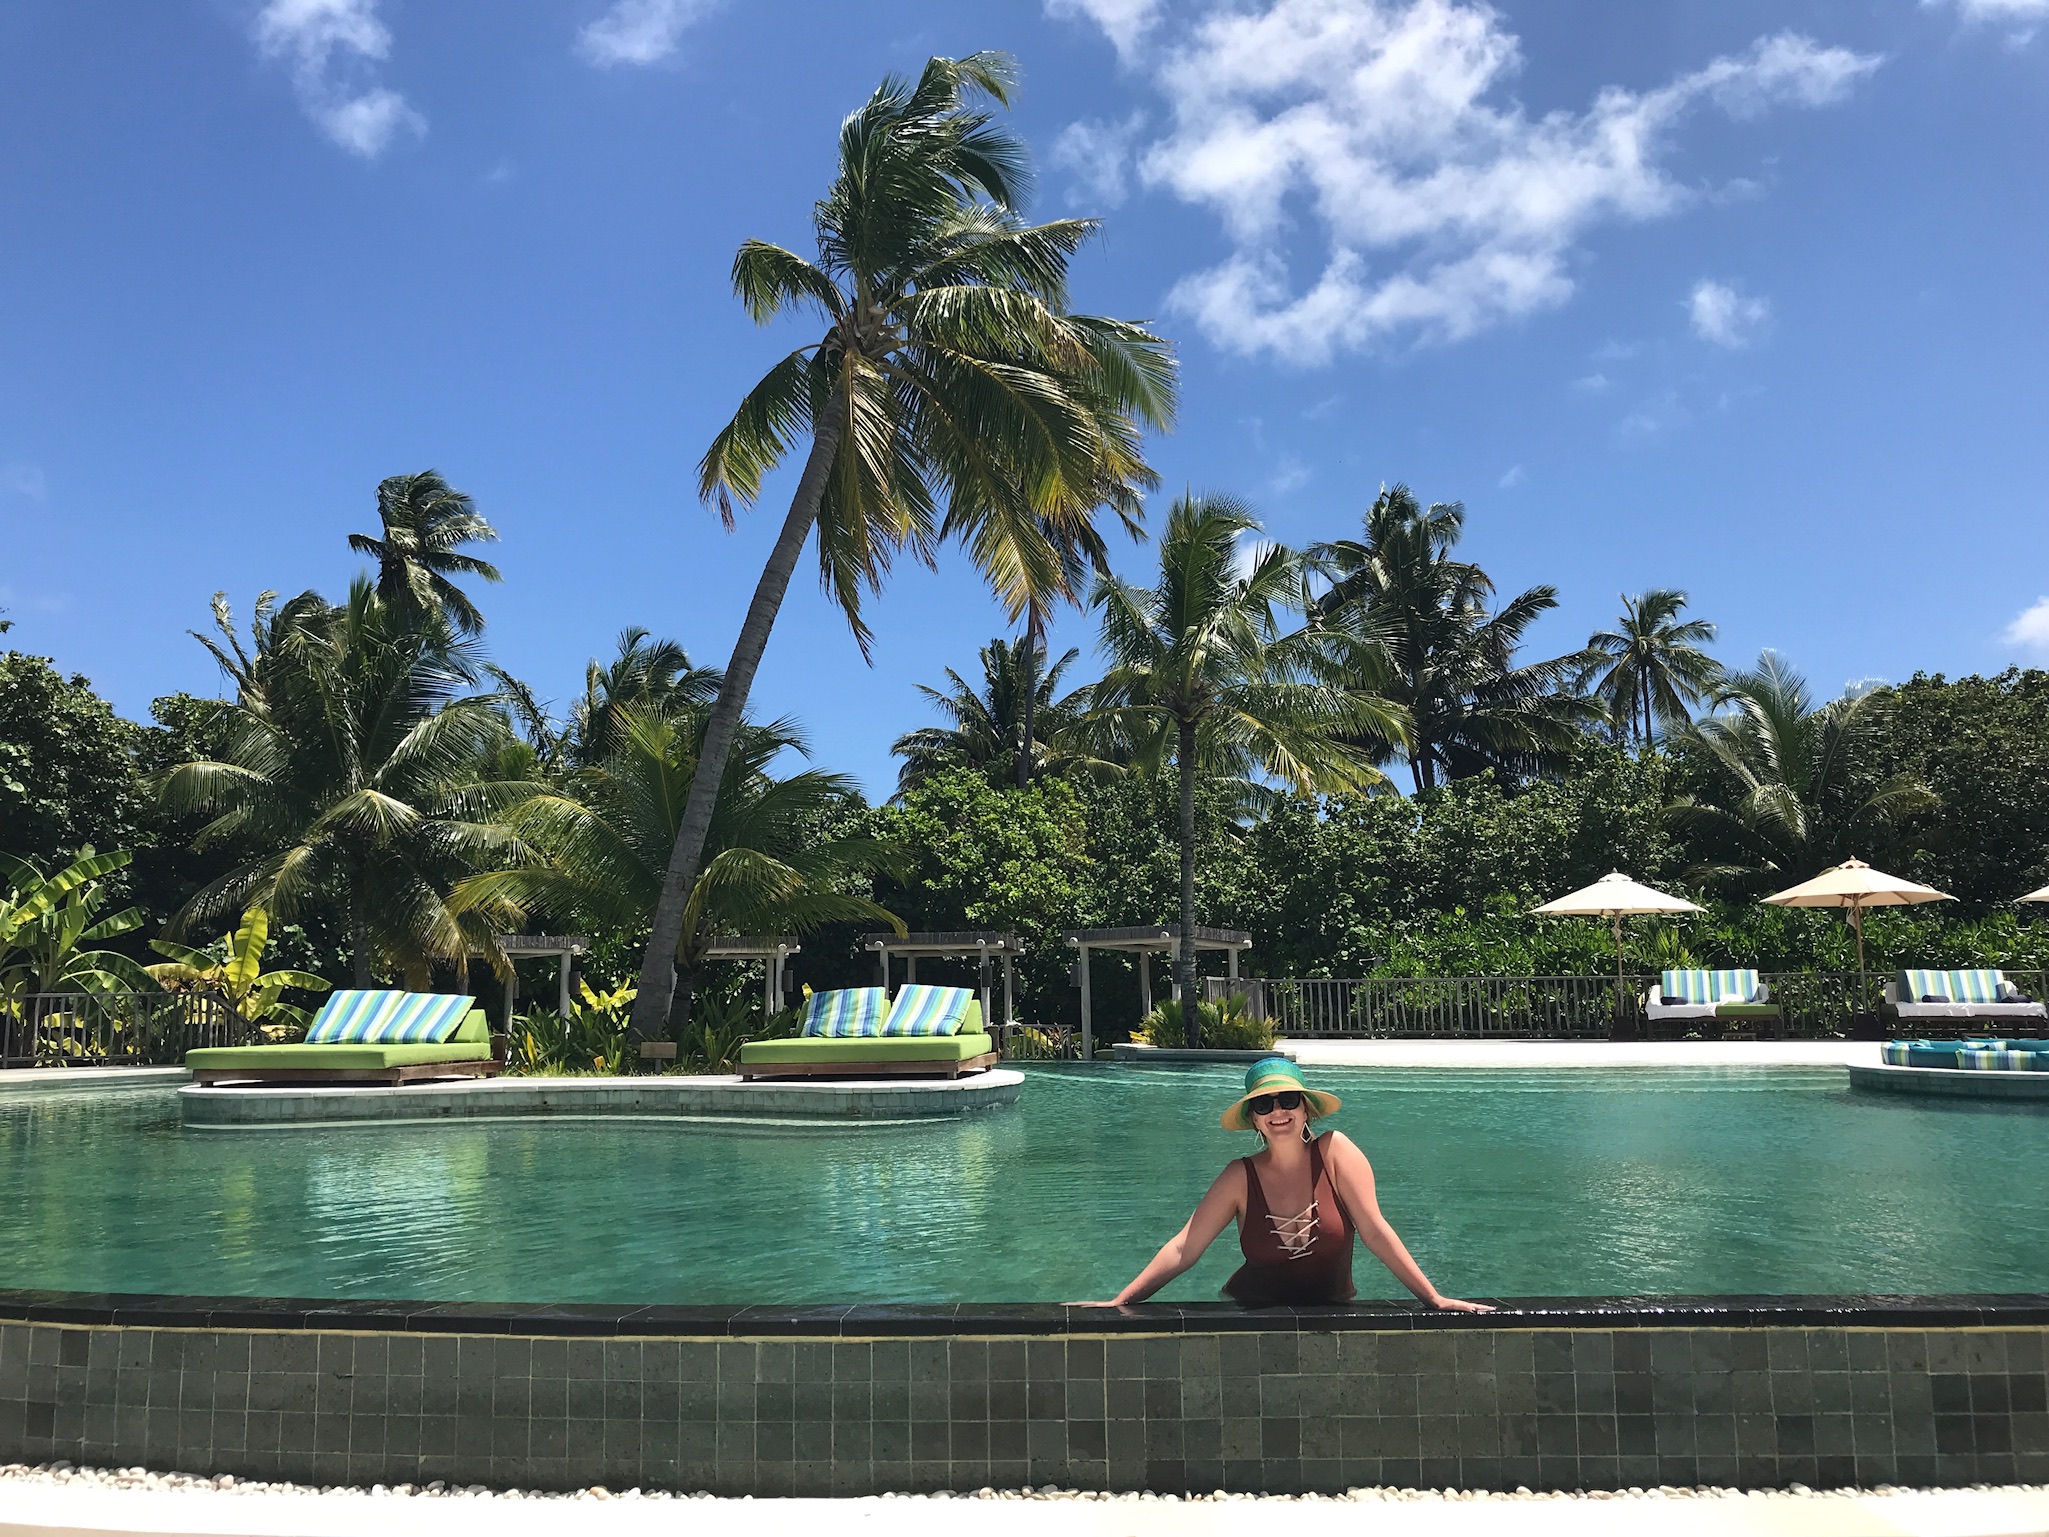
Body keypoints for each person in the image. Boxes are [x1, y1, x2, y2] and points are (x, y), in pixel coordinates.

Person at [1088, 1057, 1491, 1310]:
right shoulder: (1239, 1176)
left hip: (1331, 1309)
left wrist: (1433, 1298)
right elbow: (1184, 1247)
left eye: (1288, 1100)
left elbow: (1374, 1230)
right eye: (1264, 1104)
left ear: (1306, 1109)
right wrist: (1120, 1303)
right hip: (1253, 1312)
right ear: (1253, 1118)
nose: (1277, 1111)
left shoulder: (1335, 1153)